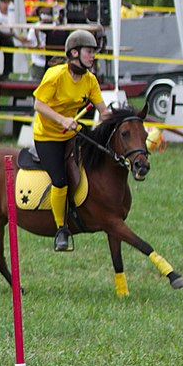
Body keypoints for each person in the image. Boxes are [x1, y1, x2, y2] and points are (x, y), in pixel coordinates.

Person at [31, 29, 109, 252]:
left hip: (73, 135)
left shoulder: (90, 80)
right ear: (74, 53)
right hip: (47, 137)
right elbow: (38, 105)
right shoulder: (55, 75)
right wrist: (62, 119)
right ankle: (61, 229)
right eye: (89, 52)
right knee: (60, 181)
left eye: (94, 52)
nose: (93, 56)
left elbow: (103, 111)